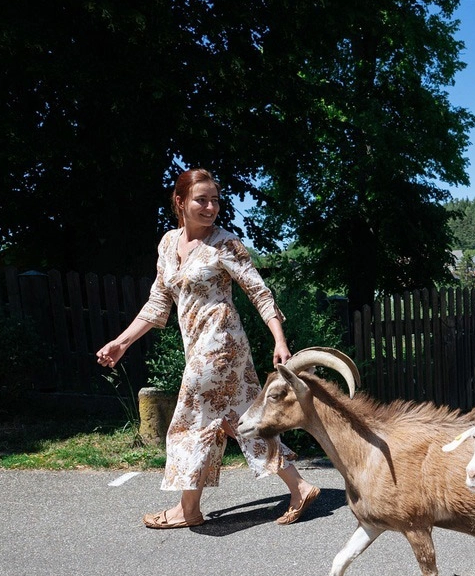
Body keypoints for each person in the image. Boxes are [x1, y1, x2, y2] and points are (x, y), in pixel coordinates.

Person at [95, 168, 320, 529]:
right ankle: (299, 485)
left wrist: (279, 339)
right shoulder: (168, 244)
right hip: (198, 346)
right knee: (239, 421)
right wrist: (121, 342)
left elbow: (259, 292)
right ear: (180, 202)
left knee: (189, 423)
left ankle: (188, 509)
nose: (211, 207)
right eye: (202, 199)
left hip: (221, 347)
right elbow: (157, 303)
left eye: (215, 200)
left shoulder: (225, 244)